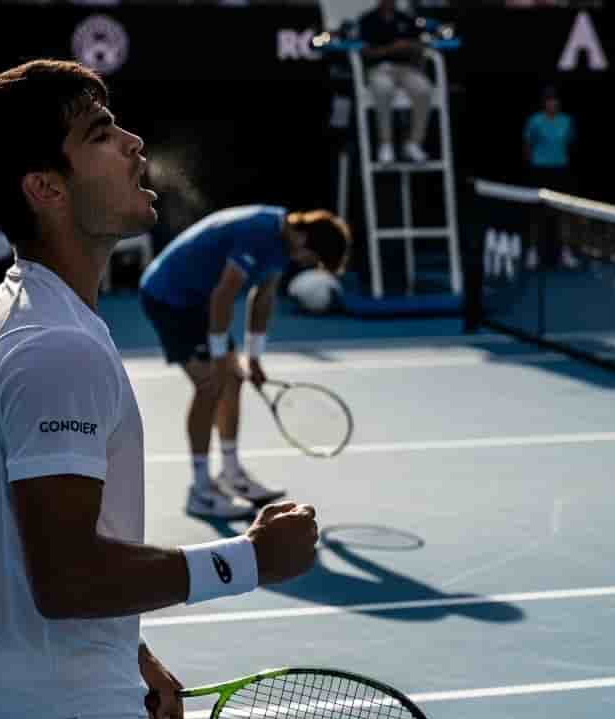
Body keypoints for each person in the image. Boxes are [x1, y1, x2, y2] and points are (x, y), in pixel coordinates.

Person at [0, 59, 319, 719]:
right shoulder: (54, 345)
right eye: (101, 132)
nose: (135, 142)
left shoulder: (38, 311)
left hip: (57, 710)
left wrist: (128, 651)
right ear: (46, 188)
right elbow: (66, 576)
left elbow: (54, 552)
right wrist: (251, 560)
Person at [138, 206, 351, 519]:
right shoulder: (259, 234)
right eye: (313, 258)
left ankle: (232, 473)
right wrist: (219, 355)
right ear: (306, 239)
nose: (308, 264)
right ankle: (200, 490)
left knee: (233, 379)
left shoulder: (282, 242)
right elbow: (223, 296)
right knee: (209, 384)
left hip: (198, 299)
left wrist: (253, 358)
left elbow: (262, 297)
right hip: (169, 297)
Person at [358, 0, 434, 165]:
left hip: (406, 69)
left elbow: (420, 45)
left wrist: (411, 47)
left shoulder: (406, 18)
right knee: (384, 88)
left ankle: (414, 143)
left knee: (424, 88)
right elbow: (365, 53)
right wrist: (391, 49)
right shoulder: (367, 20)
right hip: (380, 69)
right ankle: (386, 143)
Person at [522, 85, 577, 268]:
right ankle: (532, 252)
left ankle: (565, 253)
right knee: (536, 214)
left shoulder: (566, 121)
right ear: (544, 103)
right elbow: (528, 145)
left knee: (563, 214)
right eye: (548, 100)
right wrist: (534, 164)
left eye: (554, 100)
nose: (552, 103)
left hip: (560, 171)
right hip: (540, 172)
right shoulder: (535, 121)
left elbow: (569, 144)